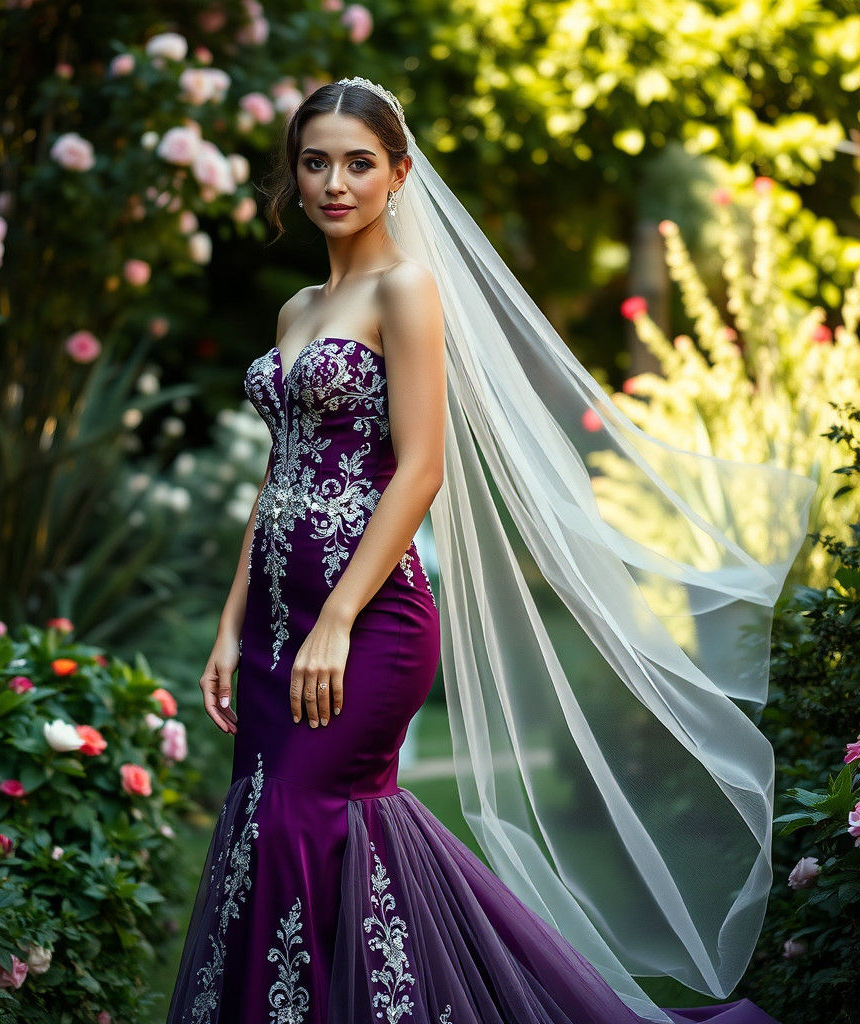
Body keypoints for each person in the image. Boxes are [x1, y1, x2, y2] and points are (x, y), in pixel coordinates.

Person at [165, 77, 815, 1023]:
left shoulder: (406, 289)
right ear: (293, 176)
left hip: (368, 619)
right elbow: (279, 479)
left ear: (398, 173)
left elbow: (421, 470)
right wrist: (232, 626)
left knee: (303, 816)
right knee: (274, 826)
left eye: (358, 163)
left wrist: (337, 619)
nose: (335, 184)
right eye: (315, 163)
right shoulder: (298, 308)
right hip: (274, 624)